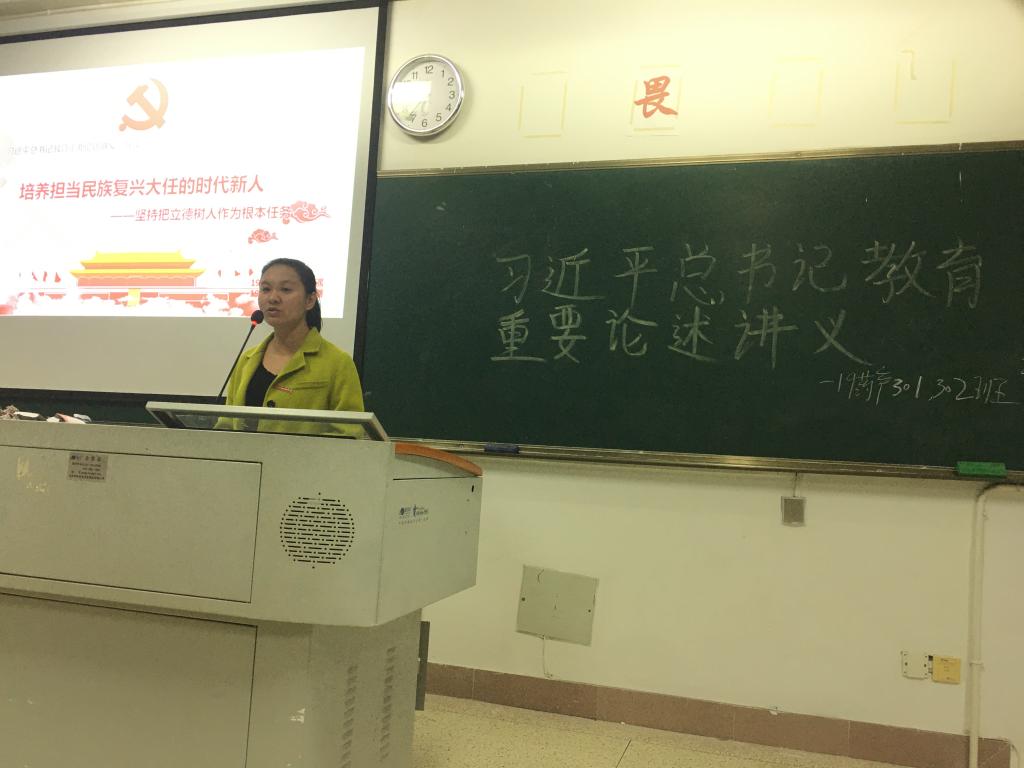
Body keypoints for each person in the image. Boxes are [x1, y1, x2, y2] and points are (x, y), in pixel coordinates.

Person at [222, 258, 364, 434]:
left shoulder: (337, 363)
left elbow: (349, 433)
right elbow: (225, 426)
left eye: (286, 289)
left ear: (310, 300)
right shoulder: (247, 360)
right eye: (265, 289)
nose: (273, 298)